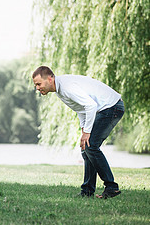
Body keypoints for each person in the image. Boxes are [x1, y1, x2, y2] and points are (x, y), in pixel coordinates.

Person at [32, 66, 124, 199]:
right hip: (105, 109)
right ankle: (87, 192)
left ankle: (111, 187)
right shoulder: (60, 90)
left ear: (50, 79)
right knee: (86, 147)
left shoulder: (66, 87)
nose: (37, 88)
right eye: (36, 85)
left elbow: (90, 106)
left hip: (111, 107)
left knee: (91, 146)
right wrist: (83, 131)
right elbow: (81, 109)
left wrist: (87, 132)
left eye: (39, 84)